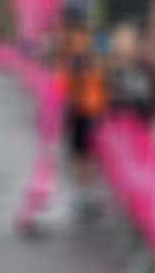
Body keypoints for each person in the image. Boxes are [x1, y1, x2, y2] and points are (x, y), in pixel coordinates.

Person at [58, 18, 106, 220]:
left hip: (82, 113)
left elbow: (65, 88)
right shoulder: (84, 59)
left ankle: (85, 197)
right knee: (83, 157)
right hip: (84, 113)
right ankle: (85, 196)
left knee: (81, 157)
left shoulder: (78, 60)